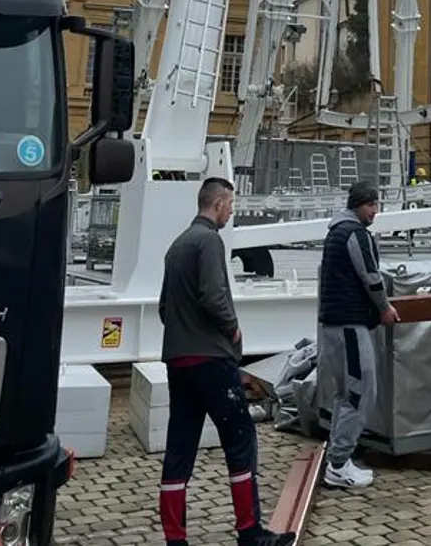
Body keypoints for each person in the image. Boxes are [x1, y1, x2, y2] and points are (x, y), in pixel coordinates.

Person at [158, 177, 294, 546]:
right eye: (231, 204)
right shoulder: (209, 241)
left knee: (179, 449)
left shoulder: (177, 246)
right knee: (240, 440)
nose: (232, 211)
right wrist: (232, 330)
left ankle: (175, 538)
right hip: (211, 360)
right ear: (217, 204)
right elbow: (214, 296)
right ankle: (250, 533)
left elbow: (163, 308)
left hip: (178, 360)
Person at [317, 180, 399, 488]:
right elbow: (372, 276)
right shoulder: (355, 234)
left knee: (345, 395)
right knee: (361, 392)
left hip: (333, 325)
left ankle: (337, 457)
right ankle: (339, 463)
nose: (375, 211)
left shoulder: (335, 233)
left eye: (377, 205)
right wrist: (385, 308)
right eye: (371, 205)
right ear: (359, 205)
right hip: (350, 326)